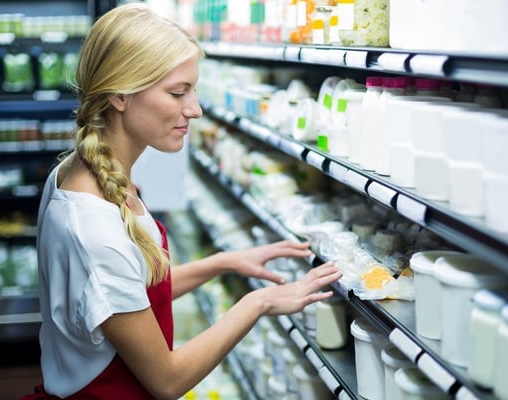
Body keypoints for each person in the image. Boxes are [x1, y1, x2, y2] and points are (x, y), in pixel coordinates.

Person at [21, 3, 342, 399]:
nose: (196, 109)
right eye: (178, 92)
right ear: (121, 95)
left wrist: (223, 262)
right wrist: (256, 304)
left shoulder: (80, 173)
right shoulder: (94, 229)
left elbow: (124, 298)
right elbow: (167, 380)